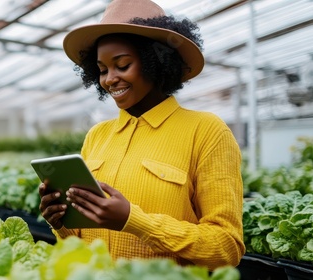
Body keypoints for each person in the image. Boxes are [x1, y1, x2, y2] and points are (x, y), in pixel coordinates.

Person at [38, 0, 245, 271]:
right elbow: (82, 243)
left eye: (122, 65)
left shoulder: (207, 131)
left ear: (157, 63)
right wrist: (62, 224)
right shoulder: (97, 136)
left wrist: (133, 220)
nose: (109, 79)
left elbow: (226, 247)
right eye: (102, 70)